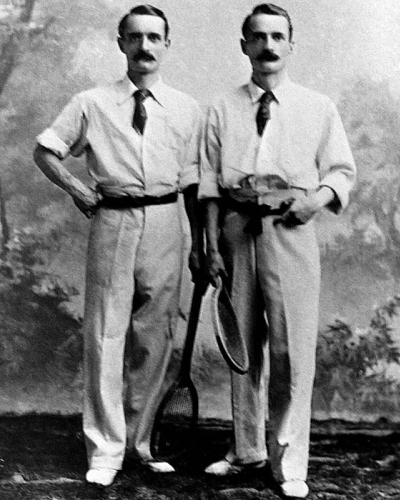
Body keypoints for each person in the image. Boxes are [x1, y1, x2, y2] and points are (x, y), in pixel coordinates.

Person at [34, 4, 204, 488]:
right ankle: (105, 450)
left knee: (156, 337)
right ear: (121, 43)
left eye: (154, 38)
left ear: (166, 45)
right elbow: (45, 151)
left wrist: (199, 244)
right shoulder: (92, 102)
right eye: (135, 37)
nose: (144, 46)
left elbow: (194, 183)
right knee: (106, 335)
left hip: (168, 221)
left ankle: (140, 444)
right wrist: (78, 189)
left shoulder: (187, 108)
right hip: (113, 218)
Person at [199, 4, 356, 498]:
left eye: (277, 36)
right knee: (243, 345)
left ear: (291, 44)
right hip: (235, 229)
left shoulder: (317, 106)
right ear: (244, 45)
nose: (268, 45)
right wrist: (211, 246)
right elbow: (208, 183)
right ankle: (247, 450)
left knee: (291, 349)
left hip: (290, 228)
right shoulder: (221, 108)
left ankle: (288, 463)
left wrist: (315, 201)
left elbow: (341, 171)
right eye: (258, 36)